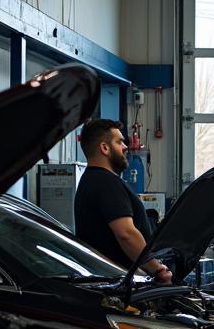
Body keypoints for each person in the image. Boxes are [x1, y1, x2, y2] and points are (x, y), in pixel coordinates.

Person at [74, 119, 172, 284]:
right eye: (119, 142)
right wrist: (157, 269)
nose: (126, 147)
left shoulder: (91, 180)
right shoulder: (106, 183)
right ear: (105, 148)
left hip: (109, 280)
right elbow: (126, 234)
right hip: (115, 283)